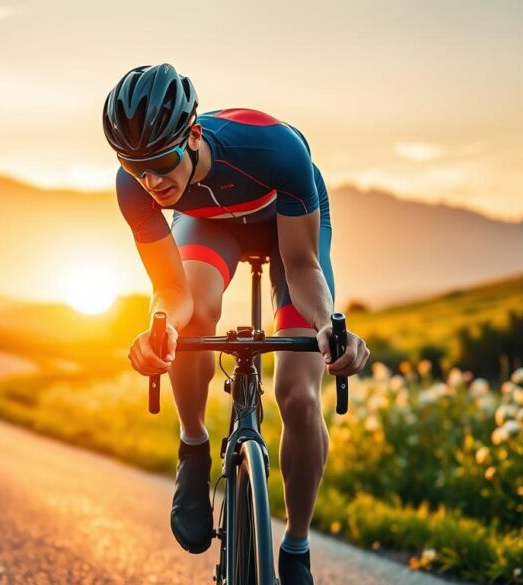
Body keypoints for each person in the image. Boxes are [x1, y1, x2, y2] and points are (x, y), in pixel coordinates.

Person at [103, 63, 370, 585]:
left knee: (299, 394)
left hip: (285, 227)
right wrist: (160, 326)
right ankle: (193, 445)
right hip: (208, 226)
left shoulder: (274, 149)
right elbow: (172, 291)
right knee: (191, 318)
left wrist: (327, 325)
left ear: (192, 135)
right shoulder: (134, 188)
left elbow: (302, 266)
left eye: (162, 162)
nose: (152, 182)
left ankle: (296, 547)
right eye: (136, 168)